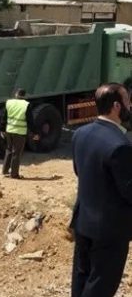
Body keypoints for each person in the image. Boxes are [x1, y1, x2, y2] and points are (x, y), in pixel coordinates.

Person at [71, 83, 132, 297]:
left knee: (81, 279)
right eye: (127, 101)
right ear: (116, 106)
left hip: (83, 222)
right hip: (110, 231)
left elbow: (81, 171)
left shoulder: (80, 134)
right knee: (100, 286)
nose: (130, 105)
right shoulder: (120, 146)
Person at [0, 88, 37, 179]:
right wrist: (35, 133)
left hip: (9, 130)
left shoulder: (9, 103)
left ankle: (5, 171)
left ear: (16, 95)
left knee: (9, 150)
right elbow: (30, 121)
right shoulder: (26, 105)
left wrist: (2, 129)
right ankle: (14, 174)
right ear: (24, 96)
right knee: (16, 153)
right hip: (19, 133)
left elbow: (4, 117)